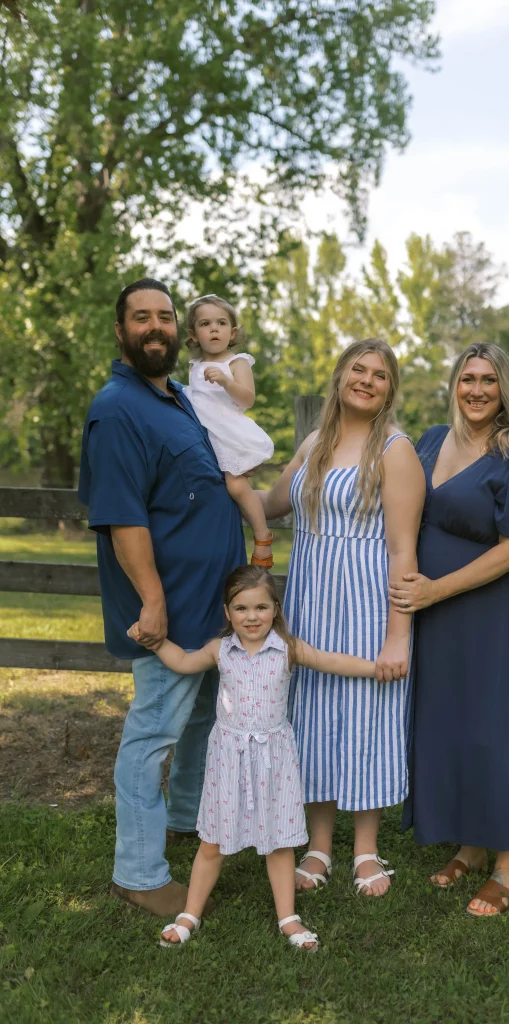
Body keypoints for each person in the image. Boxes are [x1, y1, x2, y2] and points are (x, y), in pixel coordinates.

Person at [78, 278, 246, 919]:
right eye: (141, 318)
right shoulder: (117, 409)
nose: (157, 327)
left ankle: (181, 821)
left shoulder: (178, 398)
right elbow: (123, 517)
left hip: (213, 605)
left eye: (166, 317)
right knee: (152, 734)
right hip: (168, 611)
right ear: (120, 332)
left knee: (202, 722)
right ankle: (139, 873)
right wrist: (151, 600)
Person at [127, 565, 380, 950]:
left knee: (279, 843)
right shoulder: (220, 650)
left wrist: (376, 668)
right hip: (228, 758)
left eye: (261, 607)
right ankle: (189, 914)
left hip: (273, 759)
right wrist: (154, 643)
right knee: (212, 842)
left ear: (275, 609)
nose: (252, 617)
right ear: (227, 613)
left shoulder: (287, 648)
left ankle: (288, 918)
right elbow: (181, 662)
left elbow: (330, 661)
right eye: (241, 608)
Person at [392, 342, 509, 917]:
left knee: (493, 724)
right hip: (438, 613)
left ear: (504, 386)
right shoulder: (433, 440)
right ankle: (470, 844)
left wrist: (435, 588)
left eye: (489, 380)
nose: (478, 390)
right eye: (468, 379)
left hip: (494, 609)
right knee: (449, 719)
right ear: (455, 384)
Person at [259, 339, 425, 896]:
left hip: (365, 607)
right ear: (339, 377)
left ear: (389, 391)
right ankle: (319, 846)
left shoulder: (396, 452)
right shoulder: (315, 442)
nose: (367, 380)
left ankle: (367, 850)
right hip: (309, 605)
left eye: (380, 375)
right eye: (358, 369)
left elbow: (404, 552)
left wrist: (398, 637)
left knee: (364, 718)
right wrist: (218, 482)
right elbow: (272, 503)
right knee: (312, 720)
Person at [183, 294, 275, 567]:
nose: (214, 329)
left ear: (232, 332)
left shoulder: (237, 362)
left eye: (221, 323)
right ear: (193, 334)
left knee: (236, 485)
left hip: (228, 433)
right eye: (205, 323)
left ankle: (262, 537)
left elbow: (247, 398)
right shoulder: (195, 367)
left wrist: (225, 381)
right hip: (204, 438)